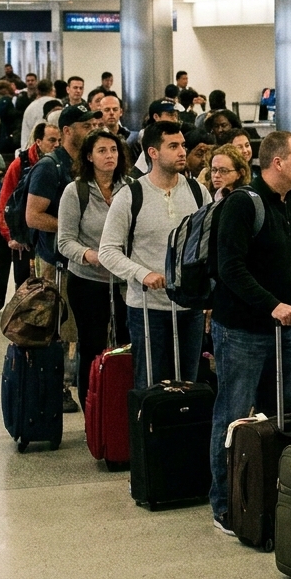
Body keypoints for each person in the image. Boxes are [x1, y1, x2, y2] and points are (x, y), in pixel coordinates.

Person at [207, 130, 291, 536]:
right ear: (277, 163)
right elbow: (228, 269)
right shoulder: (241, 205)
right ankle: (225, 505)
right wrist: (272, 304)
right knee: (233, 417)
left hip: (284, 331)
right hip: (242, 333)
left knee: (280, 416)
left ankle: (270, 497)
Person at [97, 120, 210, 390]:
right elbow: (107, 250)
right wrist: (142, 273)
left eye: (183, 145)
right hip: (148, 309)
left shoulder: (198, 192)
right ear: (153, 153)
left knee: (188, 386)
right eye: (173, 146)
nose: (182, 151)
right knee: (151, 386)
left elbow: (210, 244)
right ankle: (148, 433)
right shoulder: (131, 195)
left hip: (190, 307)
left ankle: (180, 433)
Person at [57, 129, 133, 408]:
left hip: (125, 281)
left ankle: (122, 404)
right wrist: (90, 255)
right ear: (89, 156)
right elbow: (64, 241)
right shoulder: (75, 191)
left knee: (127, 342)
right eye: (102, 151)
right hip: (88, 280)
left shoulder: (130, 187)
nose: (109, 156)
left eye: (113, 150)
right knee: (91, 344)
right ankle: (92, 404)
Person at [28, 105, 99, 279]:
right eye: (86, 126)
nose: (93, 131)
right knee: (58, 305)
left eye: (94, 125)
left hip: (83, 259)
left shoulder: (89, 163)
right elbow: (33, 216)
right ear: (67, 131)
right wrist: (72, 226)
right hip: (55, 261)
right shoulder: (49, 166)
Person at [0, 123, 58, 287]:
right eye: (52, 140)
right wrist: (11, 236)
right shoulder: (20, 164)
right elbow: (4, 203)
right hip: (23, 242)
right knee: (25, 290)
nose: (56, 145)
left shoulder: (59, 166)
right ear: (39, 141)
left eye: (59, 140)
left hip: (47, 241)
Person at [19, 78, 53, 148]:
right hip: (53, 149)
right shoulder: (58, 104)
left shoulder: (30, 107)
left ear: (37, 91)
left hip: (32, 149)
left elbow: (25, 133)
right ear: (52, 90)